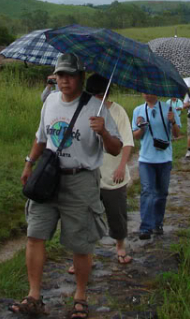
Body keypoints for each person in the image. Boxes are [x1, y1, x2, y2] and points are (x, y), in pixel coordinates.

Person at [11, 53, 122, 319]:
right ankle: (34, 296)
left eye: (70, 75)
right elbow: (41, 138)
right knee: (35, 235)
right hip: (48, 177)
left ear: (81, 77)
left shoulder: (96, 108)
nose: (64, 80)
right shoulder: (49, 101)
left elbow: (116, 149)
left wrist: (104, 132)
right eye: (60, 75)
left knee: (81, 243)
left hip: (81, 180)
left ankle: (80, 297)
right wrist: (29, 163)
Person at [87, 74, 134, 266]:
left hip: (113, 174)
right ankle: (83, 256)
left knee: (117, 215)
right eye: (92, 95)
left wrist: (122, 167)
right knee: (86, 217)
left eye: (99, 95)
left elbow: (127, 143)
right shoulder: (84, 111)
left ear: (106, 94)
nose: (96, 99)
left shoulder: (118, 111)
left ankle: (120, 246)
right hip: (89, 175)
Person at [132, 93, 181, 240]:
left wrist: (172, 122)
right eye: (144, 92)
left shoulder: (169, 109)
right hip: (146, 159)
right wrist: (141, 127)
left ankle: (157, 223)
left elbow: (177, 134)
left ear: (156, 92)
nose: (146, 95)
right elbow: (136, 135)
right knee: (147, 191)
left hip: (164, 159)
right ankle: (145, 227)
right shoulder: (138, 110)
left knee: (161, 193)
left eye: (149, 91)